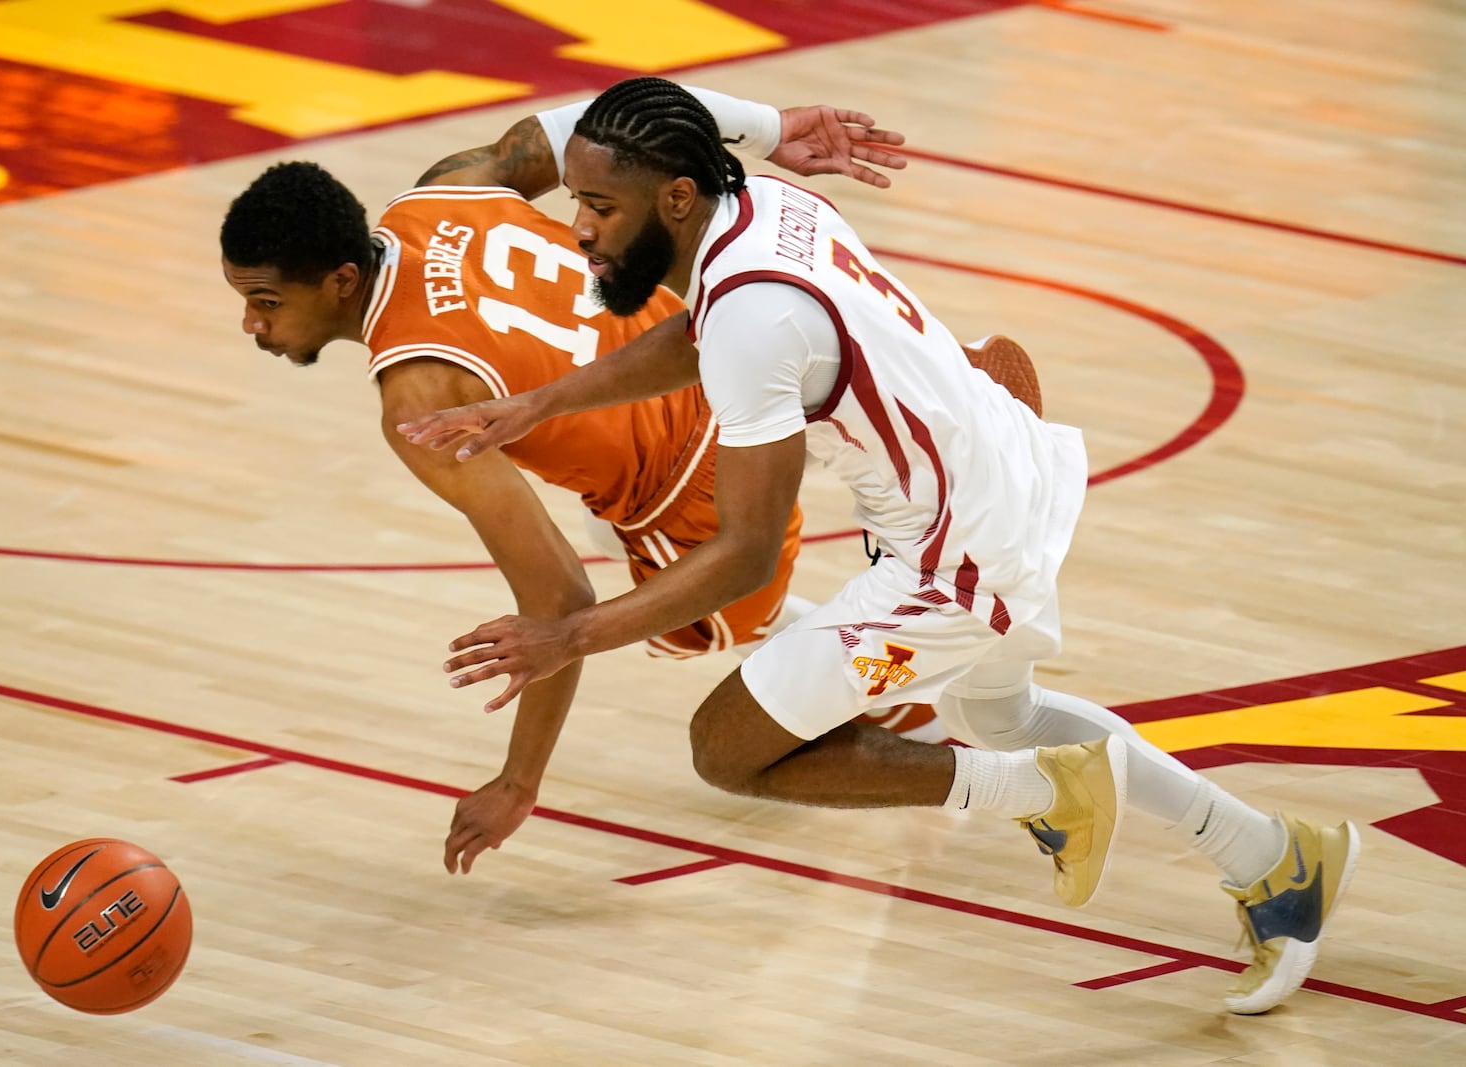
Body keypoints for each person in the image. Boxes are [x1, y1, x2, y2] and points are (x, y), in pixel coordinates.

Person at [398, 76, 1359, 1015]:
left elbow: (741, 553)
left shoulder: (753, 315)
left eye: (601, 206)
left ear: (676, 196)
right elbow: (697, 338)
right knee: (1008, 713)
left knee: (728, 745)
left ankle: (1041, 795)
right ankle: (1275, 856)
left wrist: (569, 638)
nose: (581, 228)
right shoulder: (759, 202)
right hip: (992, 467)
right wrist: (540, 400)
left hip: (952, 554)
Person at [219, 85, 944, 875]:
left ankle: (905, 667)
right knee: (623, 520)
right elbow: (596, 120)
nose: (252, 324)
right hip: (703, 336)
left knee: (694, 629)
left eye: (265, 302)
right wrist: (769, 128)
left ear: (343, 281)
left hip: (688, 467)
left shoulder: (418, 399)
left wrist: (518, 780)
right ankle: (910, 394)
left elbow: (560, 600)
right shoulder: (441, 191)